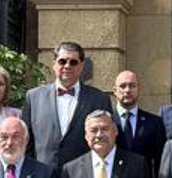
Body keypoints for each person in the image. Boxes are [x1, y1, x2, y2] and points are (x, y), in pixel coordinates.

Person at [25, 42, 113, 171]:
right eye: (62, 61)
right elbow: (26, 141)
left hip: (84, 175)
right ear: (54, 64)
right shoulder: (33, 97)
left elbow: (108, 141)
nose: (67, 66)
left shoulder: (99, 99)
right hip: (43, 176)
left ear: (81, 66)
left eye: (73, 62)